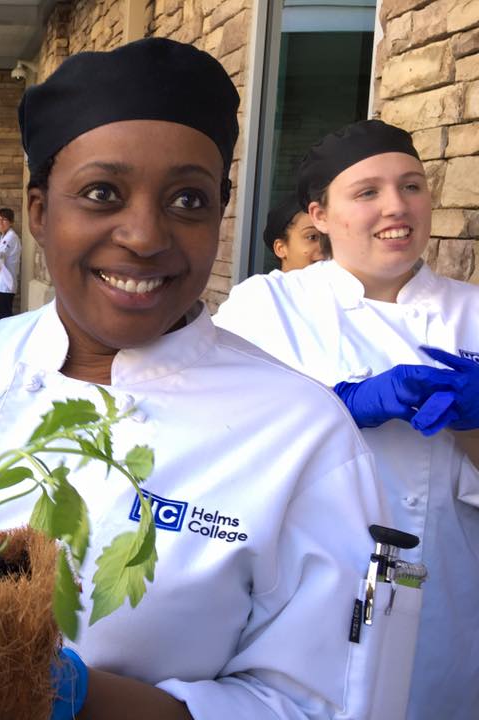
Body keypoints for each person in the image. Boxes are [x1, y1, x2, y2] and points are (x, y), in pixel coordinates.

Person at [0, 38, 389, 719]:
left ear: (221, 207)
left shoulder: (302, 434)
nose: (145, 235)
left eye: (187, 199)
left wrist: (87, 701)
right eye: (102, 193)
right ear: (39, 211)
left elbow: (321, 702)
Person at [214, 119, 479, 720]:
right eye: (367, 192)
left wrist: (474, 421)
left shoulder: (473, 312)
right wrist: (340, 403)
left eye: (412, 186)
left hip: (449, 596)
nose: (397, 206)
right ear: (321, 215)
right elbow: (222, 436)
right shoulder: (269, 304)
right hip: (305, 598)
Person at [263, 193, 328, 271]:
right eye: (312, 237)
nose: (325, 247)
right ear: (280, 248)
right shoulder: (261, 283)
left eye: (330, 238)